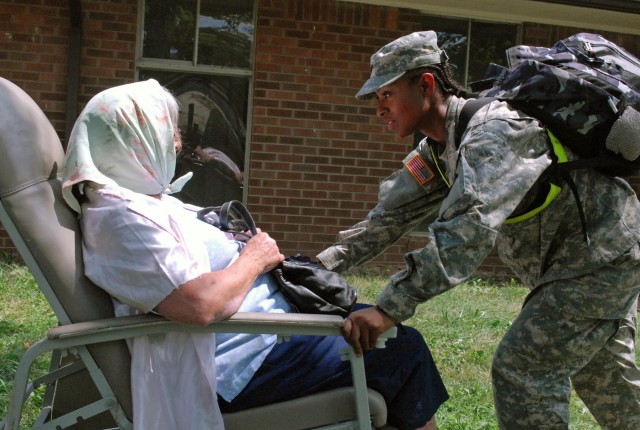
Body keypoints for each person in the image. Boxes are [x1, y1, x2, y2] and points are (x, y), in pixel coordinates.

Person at [61, 79, 449, 430]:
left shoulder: (137, 203)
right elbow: (199, 305)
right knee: (403, 348)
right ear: (133, 139)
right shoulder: (122, 219)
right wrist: (254, 258)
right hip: (238, 364)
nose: (177, 143)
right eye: (168, 131)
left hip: (262, 336)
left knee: (379, 331)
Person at [317, 31, 640, 429]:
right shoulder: (437, 150)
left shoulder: (494, 134)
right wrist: (309, 269)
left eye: (386, 94)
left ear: (426, 84)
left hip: (602, 259)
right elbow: (384, 221)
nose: (379, 108)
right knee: (609, 384)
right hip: (578, 265)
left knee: (524, 370)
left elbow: (464, 234)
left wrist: (388, 309)